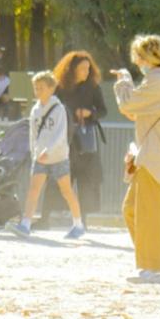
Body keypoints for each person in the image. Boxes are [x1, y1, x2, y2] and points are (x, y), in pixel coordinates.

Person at [114, 34, 160, 284]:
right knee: (132, 210)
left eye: (138, 56)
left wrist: (124, 82)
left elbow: (128, 105)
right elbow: (138, 112)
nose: (136, 61)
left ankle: (152, 268)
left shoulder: (159, 81)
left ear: (147, 58)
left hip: (155, 155)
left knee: (147, 213)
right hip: (153, 154)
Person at [12, 72, 87, 240]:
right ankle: (25, 224)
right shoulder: (35, 109)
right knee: (33, 190)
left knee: (66, 190)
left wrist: (49, 150)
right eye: (35, 88)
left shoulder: (59, 109)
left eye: (41, 88)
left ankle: (78, 224)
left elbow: (60, 135)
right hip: (40, 158)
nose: (37, 91)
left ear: (52, 88)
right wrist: (35, 152)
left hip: (58, 156)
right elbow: (33, 134)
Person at [49, 51, 107, 220]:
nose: (86, 72)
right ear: (72, 69)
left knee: (86, 179)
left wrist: (90, 113)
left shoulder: (93, 87)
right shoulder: (60, 87)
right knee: (60, 176)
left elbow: (103, 110)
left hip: (85, 138)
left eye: (88, 68)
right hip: (64, 138)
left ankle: (84, 219)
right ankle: (49, 215)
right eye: (82, 68)